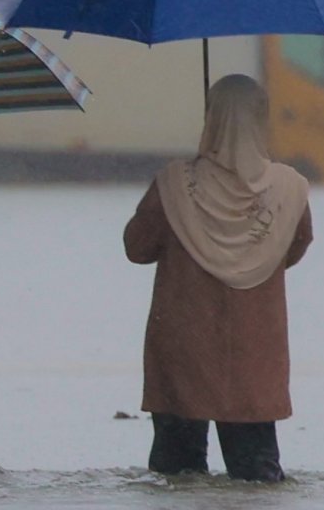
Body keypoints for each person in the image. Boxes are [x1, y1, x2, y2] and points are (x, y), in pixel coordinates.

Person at [122, 72, 312, 483]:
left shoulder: (172, 184)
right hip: (254, 349)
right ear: (260, 119)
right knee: (257, 478)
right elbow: (293, 249)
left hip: (183, 346)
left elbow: (137, 248)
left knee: (176, 475)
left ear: (211, 119)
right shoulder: (290, 188)